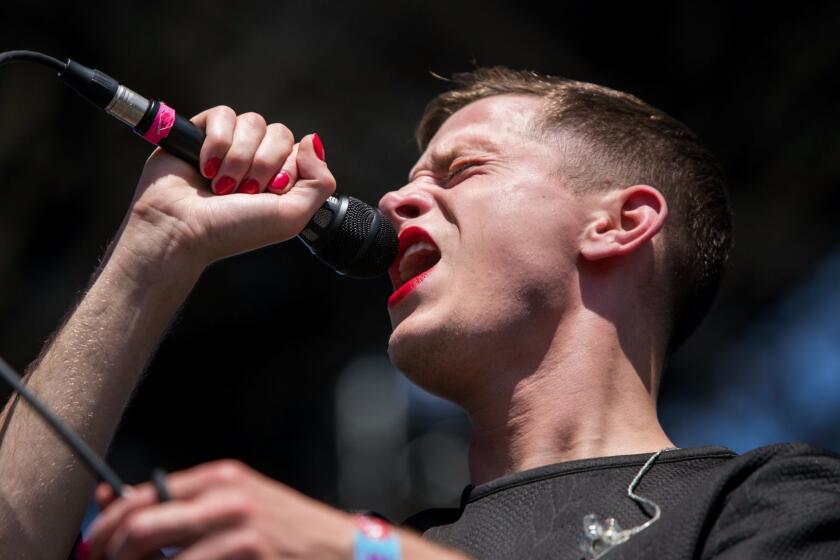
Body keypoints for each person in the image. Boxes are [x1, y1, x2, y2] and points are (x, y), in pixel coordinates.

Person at [1, 67, 838, 559]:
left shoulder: (765, 501)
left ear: (620, 224)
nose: (398, 196)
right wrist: (156, 247)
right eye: (410, 178)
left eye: (461, 169)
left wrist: (360, 551)